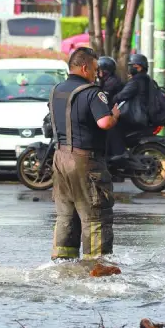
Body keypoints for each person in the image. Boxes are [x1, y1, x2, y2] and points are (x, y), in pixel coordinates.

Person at [49, 47, 120, 261]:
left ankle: (62, 263)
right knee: (95, 215)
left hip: (60, 159)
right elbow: (104, 122)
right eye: (95, 69)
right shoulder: (92, 93)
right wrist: (115, 114)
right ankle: (96, 265)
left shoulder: (57, 91)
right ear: (84, 67)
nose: (97, 73)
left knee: (66, 215)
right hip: (85, 161)